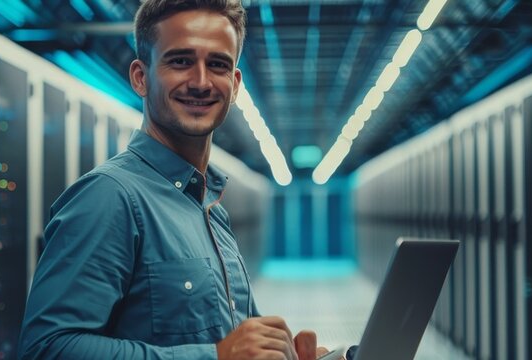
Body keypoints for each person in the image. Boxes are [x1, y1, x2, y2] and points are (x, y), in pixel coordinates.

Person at [19, 0, 332, 359]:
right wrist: (215, 356)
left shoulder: (211, 208)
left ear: (235, 84)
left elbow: (235, 344)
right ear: (140, 76)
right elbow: (47, 349)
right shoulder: (110, 197)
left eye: (217, 64)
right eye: (180, 61)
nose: (200, 82)